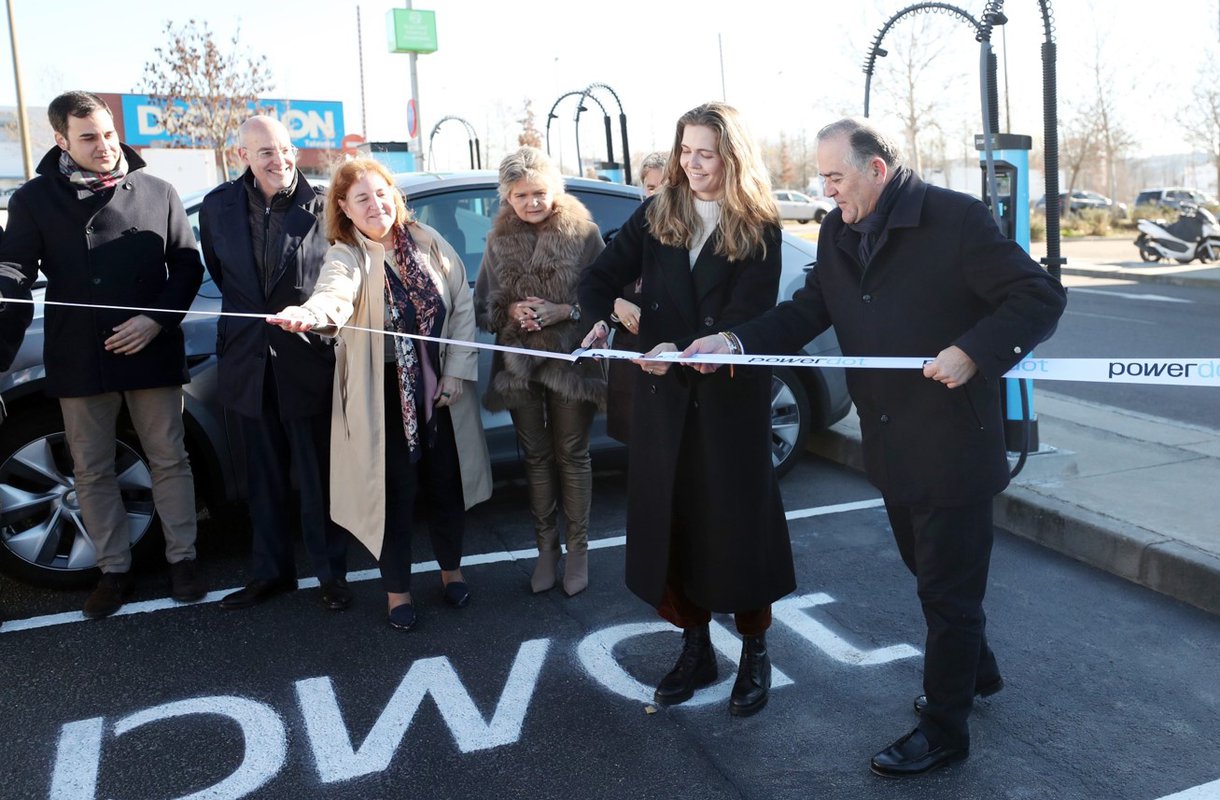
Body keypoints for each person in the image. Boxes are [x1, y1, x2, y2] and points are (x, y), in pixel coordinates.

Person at [682, 118, 1067, 774]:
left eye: (835, 177)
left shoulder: (957, 220)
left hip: (953, 444)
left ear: (876, 170)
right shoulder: (837, 232)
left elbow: (1039, 296)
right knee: (934, 580)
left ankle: (946, 728)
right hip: (890, 446)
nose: (826, 191)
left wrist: (974, 352)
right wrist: (734, 344)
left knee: (945, 593)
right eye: (822, 179)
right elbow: (807, 312)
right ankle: (978, 672)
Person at [578, 102, 795, 717]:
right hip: (664, 401)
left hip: (728, 401)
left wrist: (688, 345)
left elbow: (750, 316)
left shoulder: (758, 223)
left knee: (738, 528)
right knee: (673, 523)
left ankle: (755, 653)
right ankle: (695, 647)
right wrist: (604, 321)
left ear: (732, 156)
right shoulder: (657, 210)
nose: (692, 164)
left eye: (706, 153)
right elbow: (600, 278)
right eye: (685, 150)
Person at [0, 91, 205, 619]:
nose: (106, 146)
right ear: (61, 139)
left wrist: (154, 321)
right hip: (80, 351)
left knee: (169, 458)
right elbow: (14, 276)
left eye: (109, 134)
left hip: (150, 348)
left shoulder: (158, 191)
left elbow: (186, 267)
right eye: (89, 137)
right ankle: (113, 569)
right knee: (90, 469)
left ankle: (183, 559)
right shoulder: (34, 200)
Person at [269, 158, 491, 631]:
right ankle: (397, 593)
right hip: (382, 395)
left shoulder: (429, 242)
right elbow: (334, 294)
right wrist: (311, 314)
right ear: (344, 209)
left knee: (446, 487)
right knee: (393, 497)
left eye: (381, 192)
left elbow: (462, 307)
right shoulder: (345, 254)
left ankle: (452, 572)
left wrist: (455, 373)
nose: (376, 205)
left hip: (439, 388)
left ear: (395, 194)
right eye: (362, 198)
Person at [199, 116, 350, 612]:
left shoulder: (324, 202)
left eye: (285, 148)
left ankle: (331, 576)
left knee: (317, 478)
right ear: (243, 155)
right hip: (246, 361)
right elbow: (222, 273)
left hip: (307, 359)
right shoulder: (218, 206)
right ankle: (271, 574)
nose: (279, 159)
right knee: (261, 480)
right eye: (265, 151)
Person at [474, 146, 606, 597]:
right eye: (521, 195)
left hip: (570, 361)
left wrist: (563, 312)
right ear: (507, 198)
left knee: (572, 453)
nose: (532, 202)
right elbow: (482, 308)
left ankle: (579, 551)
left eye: (540, 192)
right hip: (518, 365)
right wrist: (511, 309)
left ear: (556, 189)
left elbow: (607, 301)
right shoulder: (497, 240)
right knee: (535, 455)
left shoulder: (584, 233)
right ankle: (545, 551)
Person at [605, 151, 668, 443]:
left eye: (665, 185)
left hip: (671, 360)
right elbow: (601, 285)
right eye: (651, 187)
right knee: (638, 448)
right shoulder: (627, 238)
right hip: (631, 359)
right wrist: (617, 305)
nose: (657, 195)